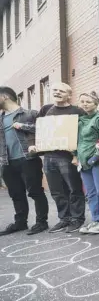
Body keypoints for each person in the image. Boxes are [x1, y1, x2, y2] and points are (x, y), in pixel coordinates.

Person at [29, 82, 86, 233]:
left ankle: (77, 219)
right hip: (49, 156)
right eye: (55, 90)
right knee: (57, 191)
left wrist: (77, 155)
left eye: (62, 91)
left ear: (69, 95)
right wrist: (34, 145)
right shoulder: (46, 109)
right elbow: (38, 130)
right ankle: (64, 219)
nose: (57, 92)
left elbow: (84, 134)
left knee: (74, 189)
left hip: (68, 157)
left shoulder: (77, 111)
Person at [0, 86, 49, 235]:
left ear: (4, 97)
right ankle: (20, 223)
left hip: (28, 159)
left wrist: (22, 126)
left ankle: (42, 222)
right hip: (7, 162)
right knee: (16, 194)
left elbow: (44, 130)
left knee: (35, 191)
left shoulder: (30, 114)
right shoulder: (1, 118)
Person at [76, 92, 99, 234]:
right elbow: (76, 141)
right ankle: (95, 219)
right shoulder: (79, 121)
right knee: (90, 193)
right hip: (83, 162)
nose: (85, 104)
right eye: (82, 101)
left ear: (96, 104)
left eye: (88, 102)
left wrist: (96, 156)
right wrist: (76, 157)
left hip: (97, 162)